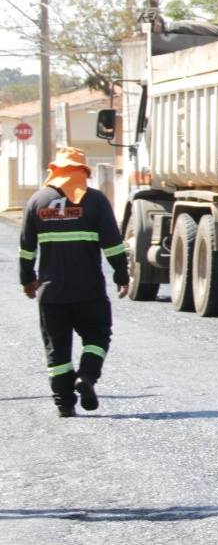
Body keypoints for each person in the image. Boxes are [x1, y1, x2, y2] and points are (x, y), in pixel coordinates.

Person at [18, 147, 129, 417]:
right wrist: (121, 275)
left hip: (51, 293)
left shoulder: (37, 201)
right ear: (83, 172)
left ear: (54, 171)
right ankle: (87, 377)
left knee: (57, 350)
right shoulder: (96, 201)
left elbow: (26, 249)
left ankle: (64, 404)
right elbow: (113, 244)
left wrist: (27, 280)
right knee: (97, 336)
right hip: (89, 291)